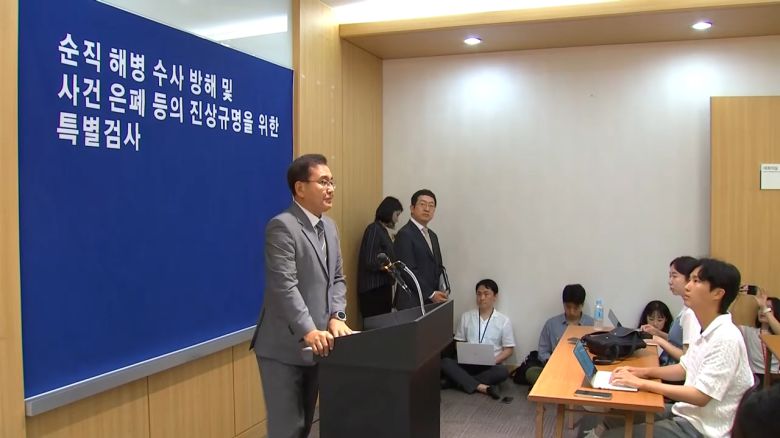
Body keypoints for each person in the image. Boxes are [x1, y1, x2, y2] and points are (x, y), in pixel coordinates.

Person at [249, 154, 353, 438]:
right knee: (287, 429)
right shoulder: (282, 226)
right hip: (283, 347)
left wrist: (337, 316)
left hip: (319, 345)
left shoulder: (329, 227)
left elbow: (338, 279)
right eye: (323, 182)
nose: (330, 188)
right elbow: (284, 286)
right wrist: (309, 330)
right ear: (300, 188)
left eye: (332, 182)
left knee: (305, 425)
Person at [595, 258, 754, 438]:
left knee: (612, 436)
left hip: (702, 428)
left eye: (696, 281)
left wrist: (640, 383)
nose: (688, 286)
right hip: (686, 413)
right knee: (616, 416)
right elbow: (684, 368)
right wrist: (641, 372)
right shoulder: (706, 329)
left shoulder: (726, 338)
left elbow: (700, 396)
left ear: (717, 293)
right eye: (689, 279)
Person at [440, 279, 515, 399]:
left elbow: (509, 349)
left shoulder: (504, 321)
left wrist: (493, 360)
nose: (482, 298)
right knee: (445, 362)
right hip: (467, 364)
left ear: (495, 296)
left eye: (486, 294)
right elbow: (459, 341)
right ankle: (482, 387)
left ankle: (456, 382)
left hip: (490, 365)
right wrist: (463, 353)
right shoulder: (466, 316)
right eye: (479, 294)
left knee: (502, 372)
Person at [393, 189, 448, 310]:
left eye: (431, 205)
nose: (427, 209)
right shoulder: (405, 234)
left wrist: (444, 287)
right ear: (412, 208)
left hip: (431, 302)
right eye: (422, 204)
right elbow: (408, 271)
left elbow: (438, 267)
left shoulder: (432, 236)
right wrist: (431, 294)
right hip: (411, 302)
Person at [643, 256, 700, 366]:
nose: (670, 282)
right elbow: (677, 341)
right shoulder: (686, 308)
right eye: (670, 276)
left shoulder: (691, 314)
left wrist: (658, 340)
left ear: (689, 278)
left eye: (674, 276)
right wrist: (657, 333)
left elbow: (687, 359)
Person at [357, 196, 403, 319]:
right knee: (376, 327)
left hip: (382, 289)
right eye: (397, 215)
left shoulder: (382, 231)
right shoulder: (374, 229)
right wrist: (390, 267)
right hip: (374, 291)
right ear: (389, 212)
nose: (397, 220)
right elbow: (370, 261)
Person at [537, 284, 594, 364]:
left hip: (584, 366)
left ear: (582, 305)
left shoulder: (591, 324)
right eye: (568, 307)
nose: (571, 312)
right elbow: (543, 352)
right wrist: (552, 361)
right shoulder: (551, 324)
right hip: (557, 365)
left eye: (576, 308)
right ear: (563, 304)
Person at [736, 286, 780, 386]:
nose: (762, 311)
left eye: (769, 308)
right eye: (760, 308)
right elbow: (729, 322)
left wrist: (764, 307)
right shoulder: (749, 332)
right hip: (755, 380)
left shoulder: (776, 335)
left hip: (776, 379)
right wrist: (734, 299)